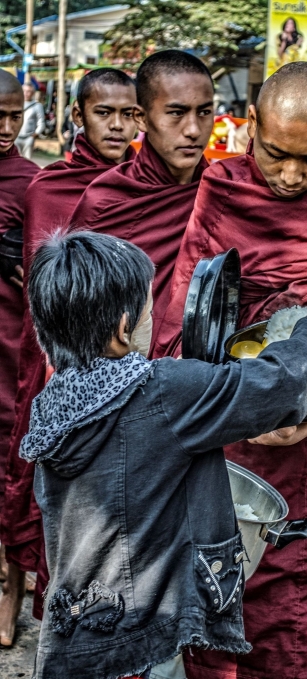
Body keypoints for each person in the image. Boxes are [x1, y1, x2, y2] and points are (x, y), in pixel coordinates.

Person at [155, 62, 307, 678]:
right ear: (251, 129)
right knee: (212, 600)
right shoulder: (222, 189)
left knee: (290, 617)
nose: (291, 176)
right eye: (275, 153)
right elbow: (185, 309)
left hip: (305, 457)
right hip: (221, 438)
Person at [24, 230, 307, 679]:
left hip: (81, 622)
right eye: (147, 308)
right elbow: (281, 387)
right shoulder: (160, 391)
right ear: (124, 329)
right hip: (143, 625)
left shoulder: (53, 405)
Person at [0, 67, 137, 645]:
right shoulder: (48, 187)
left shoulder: (144, 186)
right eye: (104, 112)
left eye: (128, 113)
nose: (119, 125)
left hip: (93, 360)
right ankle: (12, 594)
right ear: (78, 116)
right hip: (31, 352)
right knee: (18, 474)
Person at [71, 50, 214, 350]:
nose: (193, 130)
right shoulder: (107, 200)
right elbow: (75, 310)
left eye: (204, 112)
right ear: (142, 117)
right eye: (176, 112)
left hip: (202, 375)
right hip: (120, 375)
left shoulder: (223, 193)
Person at [0, 69, 39, 644]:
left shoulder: (31, 182)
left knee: (12, 470)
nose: (6, 129)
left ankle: (11, 592)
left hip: (11, 349)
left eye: (14, 116)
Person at [15, 83, 45, 160]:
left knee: (27, 161)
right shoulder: (15, 103)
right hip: (16, 137)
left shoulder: (37, 106)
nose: (26, 93)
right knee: (14, 159)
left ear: (33, 93)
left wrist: (36, 134)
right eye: (24, 91)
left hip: (29, 137)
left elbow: (41, 122)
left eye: (28, 91)